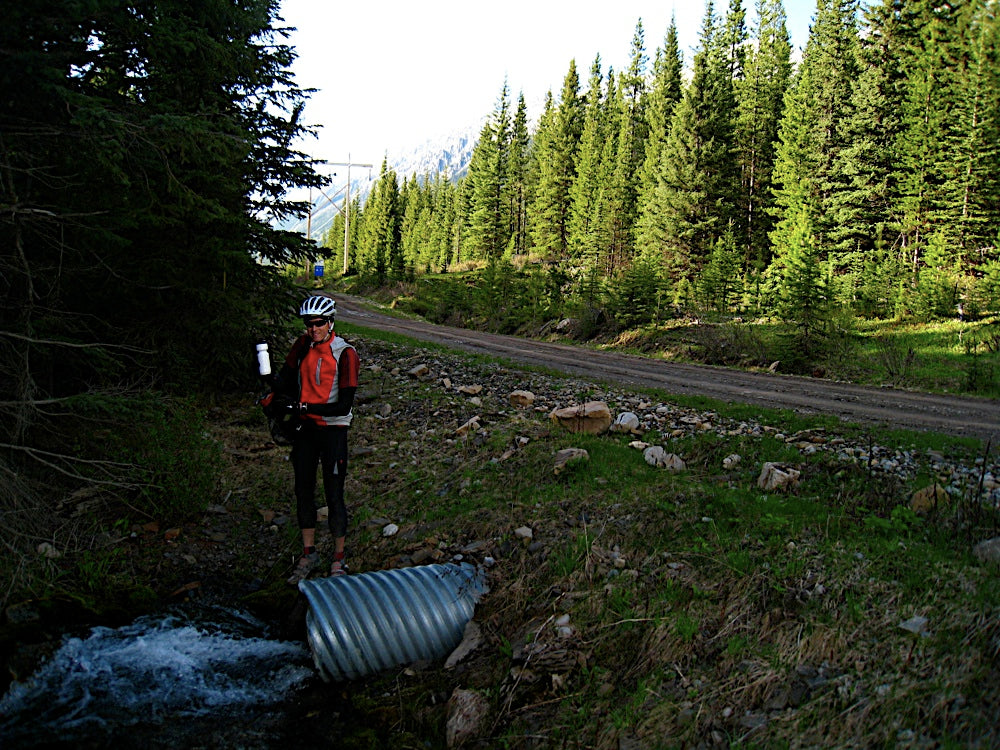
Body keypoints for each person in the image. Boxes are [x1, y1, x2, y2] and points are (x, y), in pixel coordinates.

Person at [273, 294, 360, 585]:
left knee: (334, 494)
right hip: (306, 430)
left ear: (330, 322)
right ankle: (308, 553)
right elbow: (284, 380)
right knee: (303, 490)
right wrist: (272, 394)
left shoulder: (345, 353)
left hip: (333, 430)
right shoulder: (302, 346)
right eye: (309, 324)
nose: (314, 329)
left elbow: (344, 405)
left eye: (319, 323)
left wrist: (303, 407)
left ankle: (338, 558)